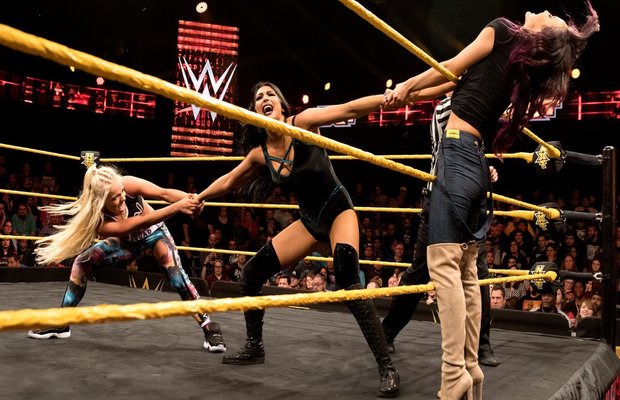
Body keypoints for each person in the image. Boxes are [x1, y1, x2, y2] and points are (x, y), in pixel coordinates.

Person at [384, 5, 599, 399]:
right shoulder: (517, 66)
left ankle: (454, 375)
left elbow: (450, 65)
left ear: (540, 35)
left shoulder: (504, 31)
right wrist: (406, 94)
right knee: (466, 269)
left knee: (443, 267)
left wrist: (404, 85)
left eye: (552, 18)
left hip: (456, 155)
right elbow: (454, 84)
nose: (546, 9)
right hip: (474, 163)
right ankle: (470, 368)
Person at [195, 81, 399, 397]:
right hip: (309, 222)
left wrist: (387, 99)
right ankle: (254, 345)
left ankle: (387, 367)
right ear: (254, 111)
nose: (265, 98)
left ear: (282, 104)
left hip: (338, 211)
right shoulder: (260, 154)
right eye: (259, 97)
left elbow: (349, 109)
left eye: (270, 94)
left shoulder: (303, 123)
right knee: (250, 275)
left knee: (349, 282)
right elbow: (229, 180)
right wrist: (198, 198)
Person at [27, 164, 227, 353]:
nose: (122, 198)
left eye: (122, 192)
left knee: (175, 274)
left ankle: (209, 326)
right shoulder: (98, 221)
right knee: (82, 263)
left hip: (155, 233)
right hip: (128, 242)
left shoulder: (128, 184)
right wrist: (177, 207)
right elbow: (138, 223)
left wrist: (191, 201)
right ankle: (62, 322)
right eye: (115, 198)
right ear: (101, 202)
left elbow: (164, 193)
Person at [381, 91, 501, 369]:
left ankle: (482, 343)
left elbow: (474, 149)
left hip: (471, 199)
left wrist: (486, 170)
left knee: (479, 271)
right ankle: (386, 332)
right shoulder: (447, 109)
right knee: (421, 270)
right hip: (440, 196)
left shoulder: (473, 108)